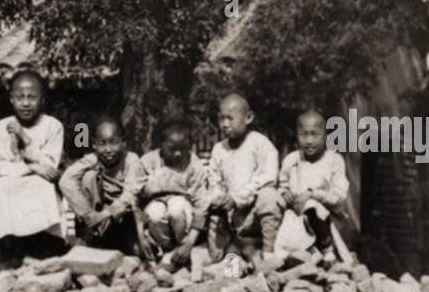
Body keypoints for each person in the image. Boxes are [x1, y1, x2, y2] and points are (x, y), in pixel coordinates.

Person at [0, 68, 65, 262]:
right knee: (3, 188)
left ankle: (43, 244)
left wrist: (24, 137)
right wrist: (32, 167)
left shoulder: (53, 126)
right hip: (13, 179)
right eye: (20, 97)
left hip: (39, 181)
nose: (26, 103)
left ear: (42, 99)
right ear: (11, 99)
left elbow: (50, 166)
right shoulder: (2, 126)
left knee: (42, 186)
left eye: (32, 97)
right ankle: (8, 247)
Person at [205, 91, 281, 266]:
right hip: (231, 217)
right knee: (222, 260)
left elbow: (268, 177)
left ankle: (268, 254)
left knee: (269, 196)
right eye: (221, 118)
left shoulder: (260, 144)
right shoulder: (219, 149)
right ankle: (236, 256)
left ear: (248, 118)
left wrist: (237, 198)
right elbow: (213, 181)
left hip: (254, 216)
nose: (224, 124)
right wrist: (219, 197)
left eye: (230, 118)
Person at [58, 115, 144, 252]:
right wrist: (88, 215)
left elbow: (131, 194)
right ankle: (93, 235)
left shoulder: (131, 160)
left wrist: (106, 214)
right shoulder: (93, 159)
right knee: (88, 176)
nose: (108, 149)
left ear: (124, 143)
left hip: (124, 215)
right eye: (102, 143)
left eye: (113, 142)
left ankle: (126, 242)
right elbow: (66, 180)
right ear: (94, 145)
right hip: (98, 214)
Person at [278, 108, 351, 258]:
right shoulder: (291, 160)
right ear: (297, 135)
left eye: (314, 134)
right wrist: (285, 194)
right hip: (297, 216)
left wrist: (313, 194)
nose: (309, 141)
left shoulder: (334, 160)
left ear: (325, 136)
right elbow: (282, 185)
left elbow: (340, 195)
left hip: (327, 219)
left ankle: (327, 248)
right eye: (304, 134)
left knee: (312, 206)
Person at [137, 118, 210, 267]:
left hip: (183, 215)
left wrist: (189, 243)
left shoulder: (194, 166)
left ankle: (182, 249)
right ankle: (163, 249)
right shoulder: (147, 162)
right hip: (156, 215)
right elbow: (134, 200)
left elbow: (201, 207)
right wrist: (140, 236)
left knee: (177, 207)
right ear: (161, 145)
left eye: (183, 148)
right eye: (172, 148)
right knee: (155, 212)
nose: (178, 154)